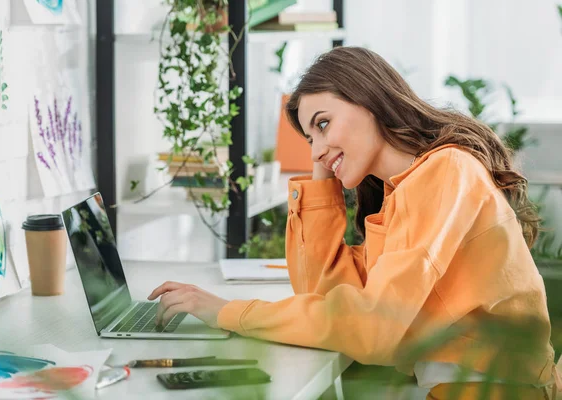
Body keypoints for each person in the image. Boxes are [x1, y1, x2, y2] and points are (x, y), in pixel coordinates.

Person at [148, 47, 558, 399]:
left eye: (324, 123)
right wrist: (323, 170)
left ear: (370, 99)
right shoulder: (404, 191)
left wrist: (228, 311)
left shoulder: (446, 172)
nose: (318, 150)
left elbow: (371, 327)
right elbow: (326, 293)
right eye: (310, 139)